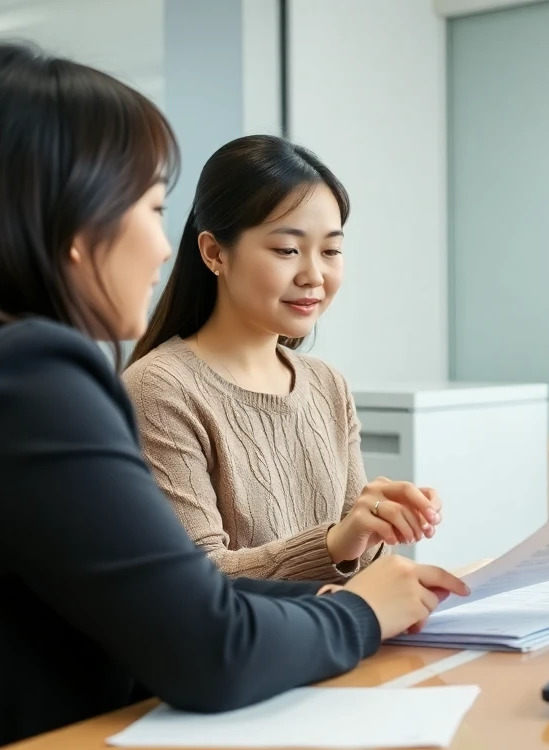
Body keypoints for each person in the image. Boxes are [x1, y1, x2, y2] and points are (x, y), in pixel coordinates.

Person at [0, 43, 466, 750]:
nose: (160, 247)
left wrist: (337, 591)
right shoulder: (21, 378)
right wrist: (360, 611)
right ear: (72, 222)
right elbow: (208, 647)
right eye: (150, 208)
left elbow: (181, 599)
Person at [124, 136, 441, 582]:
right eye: (287, 250)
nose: (314, 275)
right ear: (214, 253)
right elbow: (195, 582)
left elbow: (358, 569)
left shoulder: (328, 384)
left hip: (336, 642)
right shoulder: (159, 387)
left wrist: (376, 529)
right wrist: (335, 541)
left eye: (331, 250)